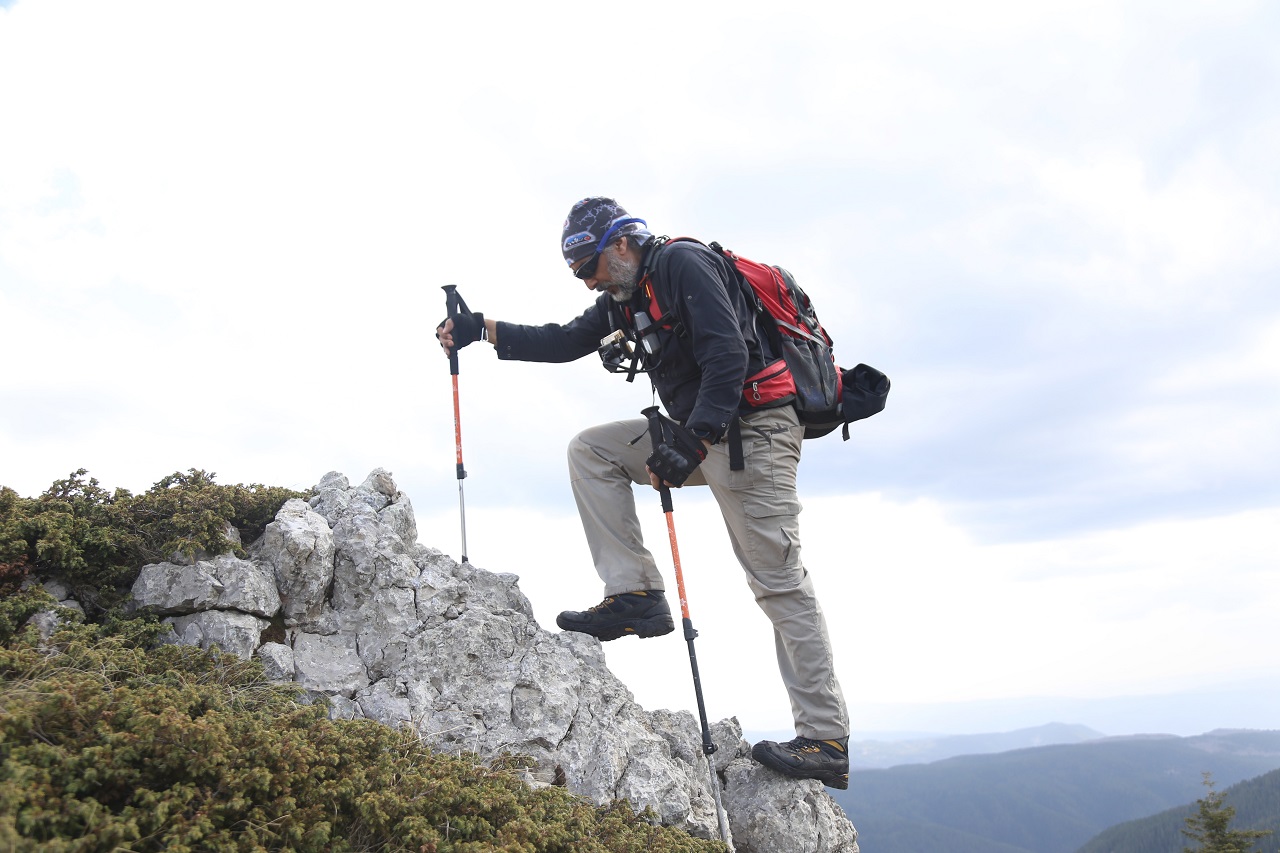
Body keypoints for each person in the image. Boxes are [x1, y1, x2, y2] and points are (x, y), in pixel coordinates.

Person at [436, 197, 850, 789]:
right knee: (593, 450)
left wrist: (693, 438)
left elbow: (728, 353)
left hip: (753, 433)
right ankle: (635, 595)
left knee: (778, 580)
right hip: (703, 433)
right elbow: (563, 340)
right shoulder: (629, 298)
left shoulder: (681, 264)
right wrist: (481, 329)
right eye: (578, 272)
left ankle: (826, 737)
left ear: (621, 244)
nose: (587, 281)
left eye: (589, 266)